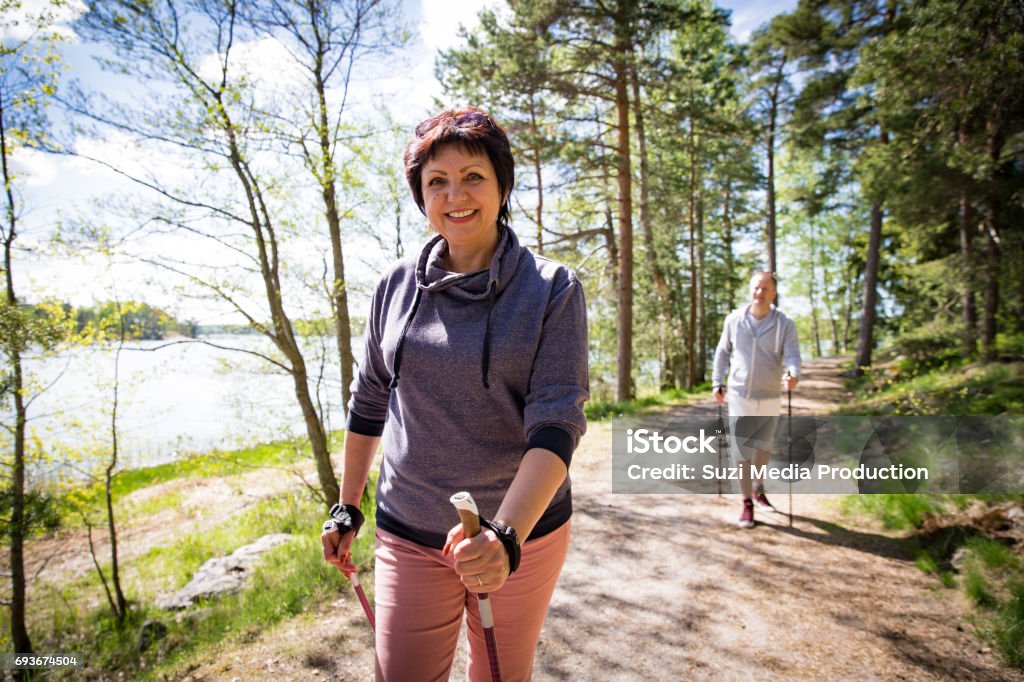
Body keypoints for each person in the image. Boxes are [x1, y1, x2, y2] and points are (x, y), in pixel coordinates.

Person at [320, 106, 589, 681]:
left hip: (522, 536)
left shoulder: (552, 288)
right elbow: (368, 400)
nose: (455, 194)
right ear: (421, 195)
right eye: (436, 181)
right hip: (407, 529)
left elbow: (556, 423)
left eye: (473, 176)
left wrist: (505, 537)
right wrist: (348, 505)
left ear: (501, 185)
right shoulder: (394, 287)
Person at [711, 271, 801, 528]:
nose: (759, 292)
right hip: (739, 394)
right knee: (742, 450)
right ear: (750, 290)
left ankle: (758, 488)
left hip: (770, 394)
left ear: (773, 293)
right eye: (756, 287)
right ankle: (746, 503)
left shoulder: (785, 323)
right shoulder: (734, 320)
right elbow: (722, 353)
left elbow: (793, 355)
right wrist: (717, 382)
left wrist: (793, 373)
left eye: (765, 288)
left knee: (763, 449)